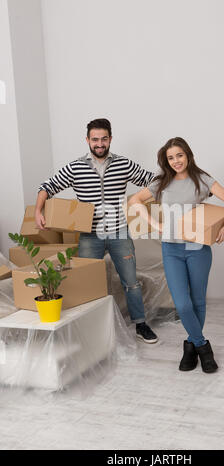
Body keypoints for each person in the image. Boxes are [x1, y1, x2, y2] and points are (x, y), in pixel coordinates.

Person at [35, 118, 158, 344]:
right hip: (90, 236)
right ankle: (89, 328)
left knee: (131, 282)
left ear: (110, 139)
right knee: (86, 283)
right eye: (95, 139)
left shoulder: (123, 164)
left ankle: (141, 325)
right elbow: (47, 186)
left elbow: (151, 180)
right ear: (87, 140)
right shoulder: (75, 167)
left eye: (103, 139)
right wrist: (38, 211)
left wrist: (183, 182)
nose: (99, 144)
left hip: (119, 232)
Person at [128, 137, 224, 372]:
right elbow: (135, 200)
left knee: (198, 301)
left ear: (187, 155)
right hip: (172, 249)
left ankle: (190, 347)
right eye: (170, 158)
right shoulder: (162, 183)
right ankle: (203, 347)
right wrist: (153, 224)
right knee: (183, 304)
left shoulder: (202, 179)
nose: (176, 161)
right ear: (166, 161)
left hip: (198, 249)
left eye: (179, 155)